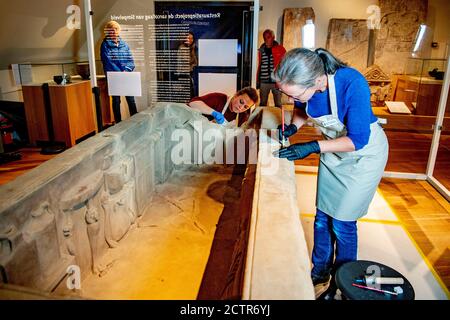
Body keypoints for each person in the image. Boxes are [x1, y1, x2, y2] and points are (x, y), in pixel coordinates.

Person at [273, 48, 389, 299]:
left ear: (316, 81)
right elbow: (304, 107)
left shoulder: (352, 83)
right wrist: (294, 127)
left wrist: (313, 147)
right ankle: (320, 270)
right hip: (333, 151)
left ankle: (341, 280)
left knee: (343, 223)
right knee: (322, 217)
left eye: (295, 94)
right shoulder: (307, 85)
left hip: (362, 156)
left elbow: (357, 140)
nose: (294, 99)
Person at [100, 20, 137, 124]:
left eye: (115, 30)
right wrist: (119, 74)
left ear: (118, 30)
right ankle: (118, 123)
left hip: (126, 76)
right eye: (110, 30)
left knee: (131, 100)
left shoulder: (124, 44)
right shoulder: (105, 45)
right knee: (116, 101)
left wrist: (127, 71)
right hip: (114, 77)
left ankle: (135, 122)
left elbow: (130, 60)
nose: (113, 32)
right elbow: (108, 62)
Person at [187, 87, 259, 127]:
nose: (241, 107)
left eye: (245, 107)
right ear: (236, 95)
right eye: (241, 102)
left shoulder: (242, 116)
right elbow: (192, 103)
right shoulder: (219, 98)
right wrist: (213, 112)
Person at [257, 29, 286, 107]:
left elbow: (285, 64)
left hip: (276, 82)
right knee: (262, 103)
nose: (266, 39)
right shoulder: (261, 50)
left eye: (269, 37)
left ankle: (280, 118)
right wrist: (257, 81)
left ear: (273, 37)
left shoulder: (281, 49)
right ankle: (262, 118)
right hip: (263, 82)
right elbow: (259, 65)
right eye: (265, 37)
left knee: (278, 104)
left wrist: (283, 80)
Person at [177, 31, 198, 98]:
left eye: (192, 38)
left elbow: (196, 62)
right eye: (188, 38)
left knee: (193, 89)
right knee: (188, 91)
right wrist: (192, 50)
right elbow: (187, 60)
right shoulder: (182, 47)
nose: (190, 40)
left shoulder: (194, 48)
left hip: (192, 72)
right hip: (184, 73)